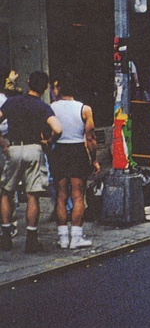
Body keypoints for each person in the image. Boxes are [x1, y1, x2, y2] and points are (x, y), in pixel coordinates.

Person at [0, 71, 63, 253]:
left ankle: (5, 237)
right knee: (32, 195)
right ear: (44, 89)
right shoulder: (43, 106)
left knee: (6, 192)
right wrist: (49, 142)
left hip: (13, 149)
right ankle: (31, 239)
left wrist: (3, 142)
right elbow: (57, 129)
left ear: (28, 83)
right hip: (34, 149)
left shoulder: (12, 102)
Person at [50, 74, 99, 249]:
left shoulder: (51, 108)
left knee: (61, 195)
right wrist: (94, 160)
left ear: (60, 89)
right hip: (77, 150)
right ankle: (76, 237)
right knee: (78, 195)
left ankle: (63, 237)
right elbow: (91, 138)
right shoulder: (84, 109)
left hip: (59, 151)